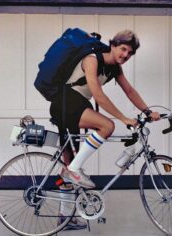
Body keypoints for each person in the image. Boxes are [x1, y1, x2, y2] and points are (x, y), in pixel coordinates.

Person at [50, 29, 160, 189]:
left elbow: (129, 91)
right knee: (107, 126)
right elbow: (98, 95)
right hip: (65, 101)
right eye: (123, 49)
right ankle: (73, 170)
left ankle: (65, 209)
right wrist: (124, 119)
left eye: (130, 53)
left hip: (79, 104)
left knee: (70, 168)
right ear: (113, 45)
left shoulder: (115, 68)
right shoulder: (91, 60)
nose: (125, 55)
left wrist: (148, 112)